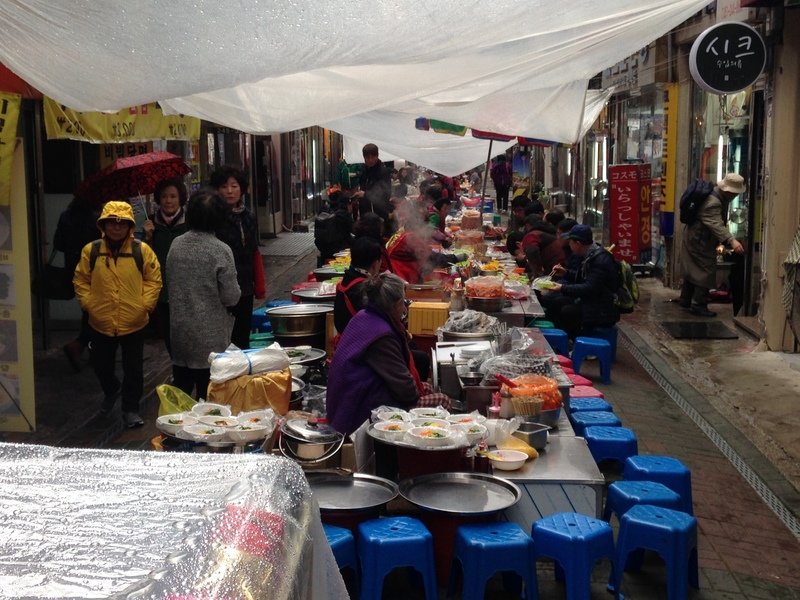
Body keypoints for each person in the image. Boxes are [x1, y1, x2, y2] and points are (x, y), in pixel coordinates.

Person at [72, 201, 162, 428]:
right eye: (111, 223)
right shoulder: (91, 251)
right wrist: (89, 304)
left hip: (134, 321)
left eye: (122, 224)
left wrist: (145, 305)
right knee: (101, 365)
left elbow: (154, 280)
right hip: (100, 321)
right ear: (103, 225)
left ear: (130, 226)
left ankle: (131, 408)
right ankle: (111, 389)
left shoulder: (141, 251)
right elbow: (81, 279)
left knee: (134, 369)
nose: (116, 228)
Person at [326, 272, 449, 436]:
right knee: (443, 400)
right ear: (397, 304)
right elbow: (406, 391)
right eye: (403, 302)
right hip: (358, 410)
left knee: (429, 387)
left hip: (348, 398)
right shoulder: (382, 337)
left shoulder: (364, 316)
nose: (405, 308)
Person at [166, 189, 241, 399]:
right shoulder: (220, 250)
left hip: (180, 333)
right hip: (211, 339)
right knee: (210, 397)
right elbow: (231, 296)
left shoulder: (176, 244)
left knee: (182, 395)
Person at [211, 165, 265, 349]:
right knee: (224, 338)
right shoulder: (213, 217)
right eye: (224, 186)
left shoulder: (248, 216)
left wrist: (259, 285)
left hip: (245, 284)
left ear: (241, 189)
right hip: (221, 288)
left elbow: (254, 252)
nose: (229, 191)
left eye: (234, 186)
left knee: (242, 335)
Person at [679, 173, 746, 317]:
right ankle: (698, 304)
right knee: (705, 269)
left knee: (692, 268)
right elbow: (715, 224)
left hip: (696, 238)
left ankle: (685, 299)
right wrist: (731, 240)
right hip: (699, 240)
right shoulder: (713, 202)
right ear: (729, 192)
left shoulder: (717, 196)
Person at [545, 224, 620, 339]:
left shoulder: (600, 260)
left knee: (567, 311)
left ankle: (574, 341)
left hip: (602, 310)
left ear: (578, 244)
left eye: (570, 242)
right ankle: (562, 339)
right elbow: (584, 278)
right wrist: (565, 272)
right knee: (557, 301)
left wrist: (562, 288)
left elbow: (590, 288)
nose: (569, 245)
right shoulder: (590, 255)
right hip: (592, 302)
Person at [56, 196, 104, 371]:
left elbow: (58, 244)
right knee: (96, 314)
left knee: (89, 311)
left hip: (74, 270)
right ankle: (81, 345)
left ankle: (88, 349)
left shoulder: (65, 216)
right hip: (95, 271)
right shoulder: (98, 217)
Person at [142, 177, 188, 355]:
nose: (168, 201)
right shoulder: (151, 223)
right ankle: (177, 367)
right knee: (168, 333)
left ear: (180, 198)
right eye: (164, 196)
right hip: (162, 289)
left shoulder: (189, 222)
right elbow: (144, 258)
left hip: (185, 287)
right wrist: (147, 238)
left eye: (173, 196)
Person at [333, 236, 383, 334]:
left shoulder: (347, 280)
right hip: (359, 343)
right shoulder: (365, 288)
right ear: (375, 263)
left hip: (346, 340)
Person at [314, 187, 354, 267]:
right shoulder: (343, 215)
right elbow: (353, 230)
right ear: (347, 204)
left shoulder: (324, 211)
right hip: (340, 254)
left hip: (325, 253)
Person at [353, 143, 392, 221]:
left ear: (377, 156)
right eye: (367, 157)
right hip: (365, 213)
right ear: (364, 157)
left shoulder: (383, 171)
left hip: (379, 214)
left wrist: (365, 194)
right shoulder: (364, 170)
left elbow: (385, 194)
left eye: (373, 157)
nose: (370, 160)